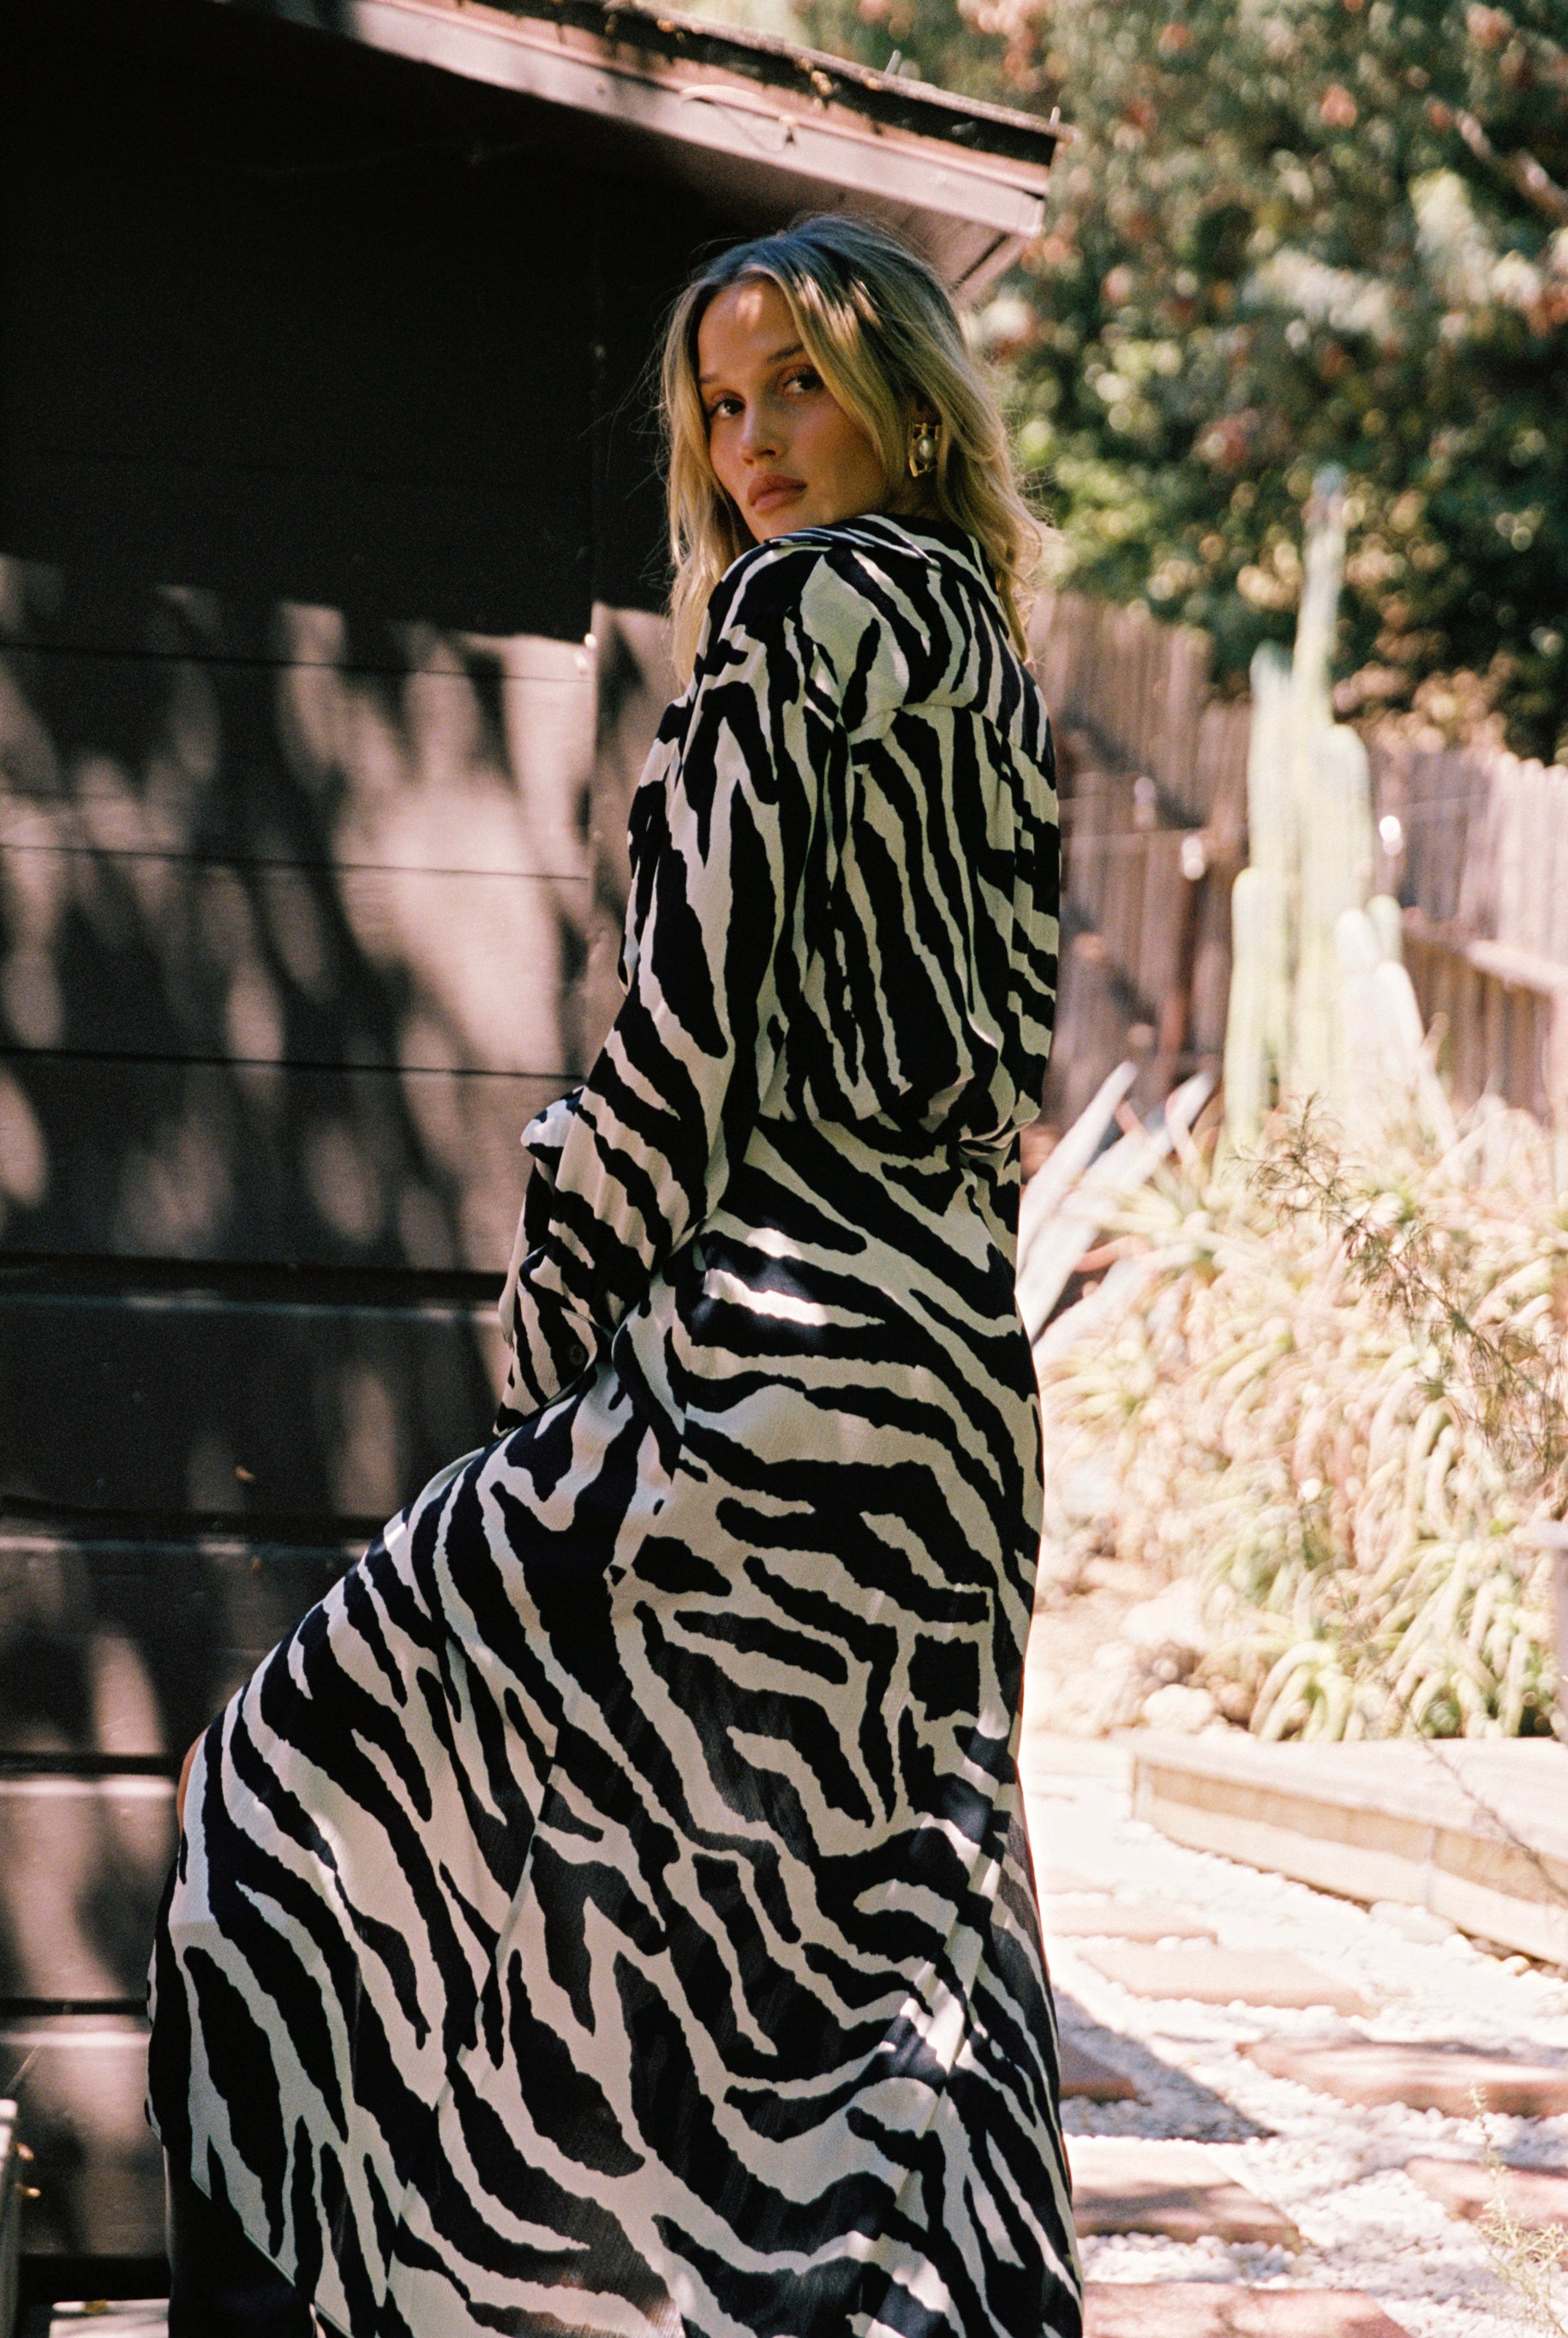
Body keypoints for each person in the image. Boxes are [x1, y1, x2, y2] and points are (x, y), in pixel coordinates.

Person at [150, 211, 1080, 2338]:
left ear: (907, 400)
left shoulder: (790, 622)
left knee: (273, 1798)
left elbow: (684, 1034)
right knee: (879, 1966)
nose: (751, 443)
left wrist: (553, 1321)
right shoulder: (995, 667)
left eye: (796, 387)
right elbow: (995, 1074)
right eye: (720, 407)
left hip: (761, 1376)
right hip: (952, 1400)